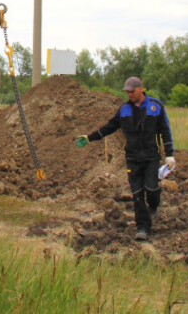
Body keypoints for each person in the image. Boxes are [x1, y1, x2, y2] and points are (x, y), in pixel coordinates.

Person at [75, 76, 175, 241]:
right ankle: (142, 227)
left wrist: (170, 154)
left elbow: (165, 130)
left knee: (151, 189)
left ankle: (154, 204)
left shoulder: (155, 106)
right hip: (132, 158)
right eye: (127, 91)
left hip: (151, 157)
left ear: (141, 89)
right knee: (137, 194)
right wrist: (90, 138)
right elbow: (109, 127)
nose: (129, 94)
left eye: (132, 91)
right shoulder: (124, 110)